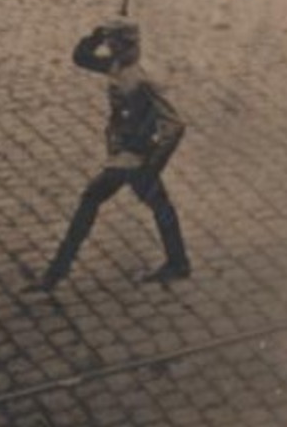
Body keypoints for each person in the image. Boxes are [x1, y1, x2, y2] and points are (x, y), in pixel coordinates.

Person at [35, 15, 189, 291]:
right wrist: (94, 37)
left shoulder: (139, 79)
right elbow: (81, 58)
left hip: (133, 158)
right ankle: (178, 263)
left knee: (91, 198)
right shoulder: (117, 65)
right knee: (160, 206)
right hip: (126, 154)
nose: (107, 46)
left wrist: (153, 164)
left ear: (121, 44)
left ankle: (56, 272)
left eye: (111, 41)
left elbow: (175, 125)